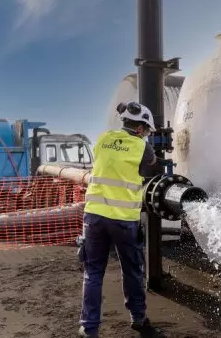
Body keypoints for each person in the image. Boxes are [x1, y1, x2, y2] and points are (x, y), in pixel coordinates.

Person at [77, 101, 157, 337]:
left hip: (94, 217)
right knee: (132, 269)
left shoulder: (102, 139)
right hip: (123, 220)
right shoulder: (143, 148)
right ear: (141, 128)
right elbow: (151, 168)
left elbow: (105, 162)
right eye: (147, 131)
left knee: (92, 272)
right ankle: (138, 317)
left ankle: (89, 327)